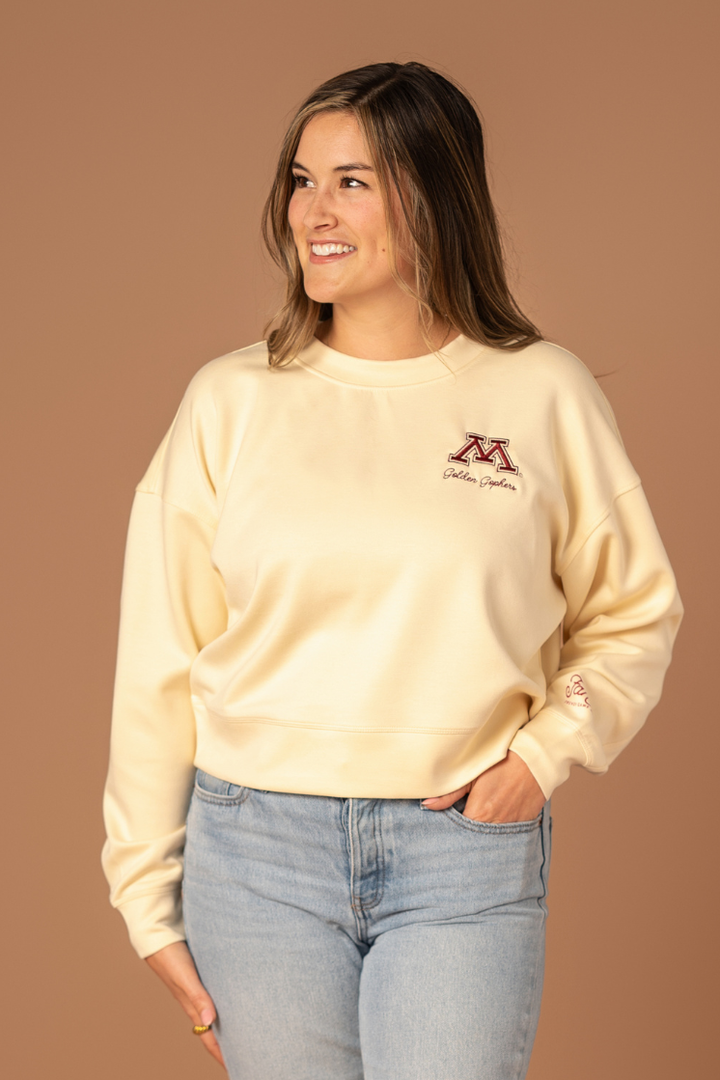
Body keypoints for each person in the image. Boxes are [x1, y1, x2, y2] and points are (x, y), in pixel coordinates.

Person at [102, 61, 683, 1080]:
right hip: (256, 853)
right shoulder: (229, 403)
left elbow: (633, 614)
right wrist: (144, 897)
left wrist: (548, 750)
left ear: (435, 194)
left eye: (353, 182)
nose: (312, 212)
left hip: (460, 853)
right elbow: (160, 660)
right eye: (300, 179)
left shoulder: (539, 394)